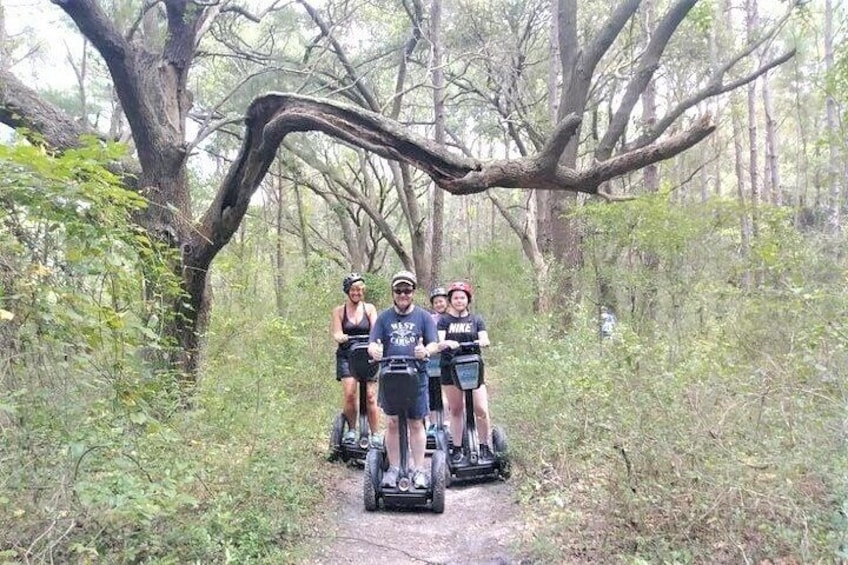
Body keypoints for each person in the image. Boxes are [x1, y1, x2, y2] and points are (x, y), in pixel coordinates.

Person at [367, 270, 438, 489]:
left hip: (417, 375)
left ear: (413, 292)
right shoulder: (383, 318)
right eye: (398, 290)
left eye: (407, 290)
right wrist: (375, 351)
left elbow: (434, 344)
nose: (403, 294)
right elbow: (372, 344)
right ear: (393, 293)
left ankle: (419, 469)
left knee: (416, 423)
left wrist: (424, 351)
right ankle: (394, 468)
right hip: (390, 376)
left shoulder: (424, 317)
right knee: (393, 422)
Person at [437, 281, 493, 463]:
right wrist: (445, 344)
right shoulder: (444, 320)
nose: (459, 301)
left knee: (481, 409)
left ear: (467, 299)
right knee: (456, 410)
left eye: (462, 297)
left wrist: (482, 341)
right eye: (456, 298)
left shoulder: (476, 320)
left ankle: (485, 446)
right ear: (450, 300)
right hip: (450, 368)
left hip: (473, 368)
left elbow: (484, 337)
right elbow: (438, 341)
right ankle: (457, 448)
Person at [330, 272, 379, 441]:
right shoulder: (339, 311)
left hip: (368, 354)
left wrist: (375, 340)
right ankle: (351, 430)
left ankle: (375, 434)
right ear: (347, 291)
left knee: (371, 397)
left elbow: (376, 330)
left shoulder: (370, 309)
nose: (357, 293)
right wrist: (340, 337)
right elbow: (336, 332)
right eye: (353, 290)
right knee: (350, 394)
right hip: (348, 355)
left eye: (359, 290)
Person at [426, 287, 449, 431]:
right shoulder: (430, 319)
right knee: (432, 390)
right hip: (433, 360)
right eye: (436, 302)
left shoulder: (453, 318)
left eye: (441, 301)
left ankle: (447, 422)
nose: (439, 304)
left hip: (450, 360)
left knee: (447, 392)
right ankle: (433, 424)